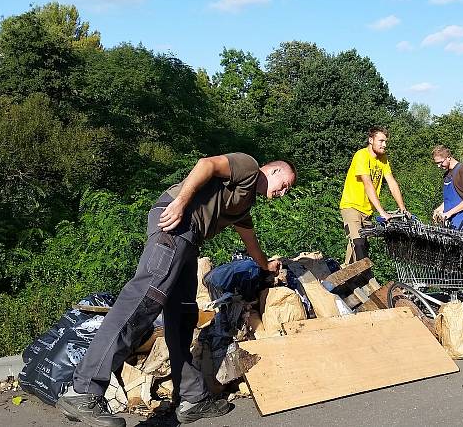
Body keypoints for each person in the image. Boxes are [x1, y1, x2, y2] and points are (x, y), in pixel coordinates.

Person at [57, 153, 296, 427]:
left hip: (189, 240)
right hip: (176, 223)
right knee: (142, 302)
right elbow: (207, 164)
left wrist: (267, 266)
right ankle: (84, 391)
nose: (283, 192)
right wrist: (181, 202)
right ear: (274, 170)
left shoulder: (243, 203)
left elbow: (251, 243)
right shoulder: (249, 166)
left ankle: (193, 398)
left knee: (182, 316)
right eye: (285, 184)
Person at [339, 126, 408, 265]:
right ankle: (357, 278)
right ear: (371, 140)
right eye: (381, 141)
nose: (385, 145)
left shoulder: (383, 159)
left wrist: (402, 208)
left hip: (367, 211)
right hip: (351, 206)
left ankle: (346, 276)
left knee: (362, 247)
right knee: (357, 243)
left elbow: (392, 183)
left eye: (386, 141)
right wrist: (382, 212)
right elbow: (368, 184)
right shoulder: (361, 155)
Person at [430, 145, 463, 230]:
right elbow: (450, 200)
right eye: (436, 163)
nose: (438, 166)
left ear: (448, 157)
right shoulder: (446, 175)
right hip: (452, 222)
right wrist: (438, 210)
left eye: (440, 162)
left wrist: (449, 213)